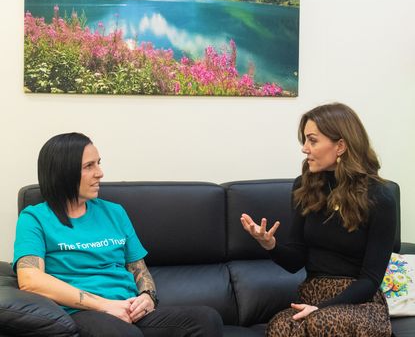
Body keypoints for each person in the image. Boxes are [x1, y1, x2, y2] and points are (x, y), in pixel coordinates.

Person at [13, 132, 223, 337]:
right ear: (63, 172)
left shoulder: (114, 212)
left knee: (206, 318)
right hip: (82, 313)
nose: (100, 173)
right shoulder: (34, 218)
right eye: (89, 166)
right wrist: (104, 305)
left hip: (129, 309)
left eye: (98, 163)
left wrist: (148, 297)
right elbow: (30, 279)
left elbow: (139, 269)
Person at [240, 103, 396, 337]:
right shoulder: (304, 186)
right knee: (280, 327)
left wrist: (321, 309)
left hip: (358, 301)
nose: (304, 149)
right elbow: (295, 260)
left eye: (312, 141)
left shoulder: (379, 196)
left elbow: (370, 279)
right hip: (312, 293)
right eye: (304, 141)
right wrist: (269, 245)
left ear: (341, 145)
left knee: (320, 323)